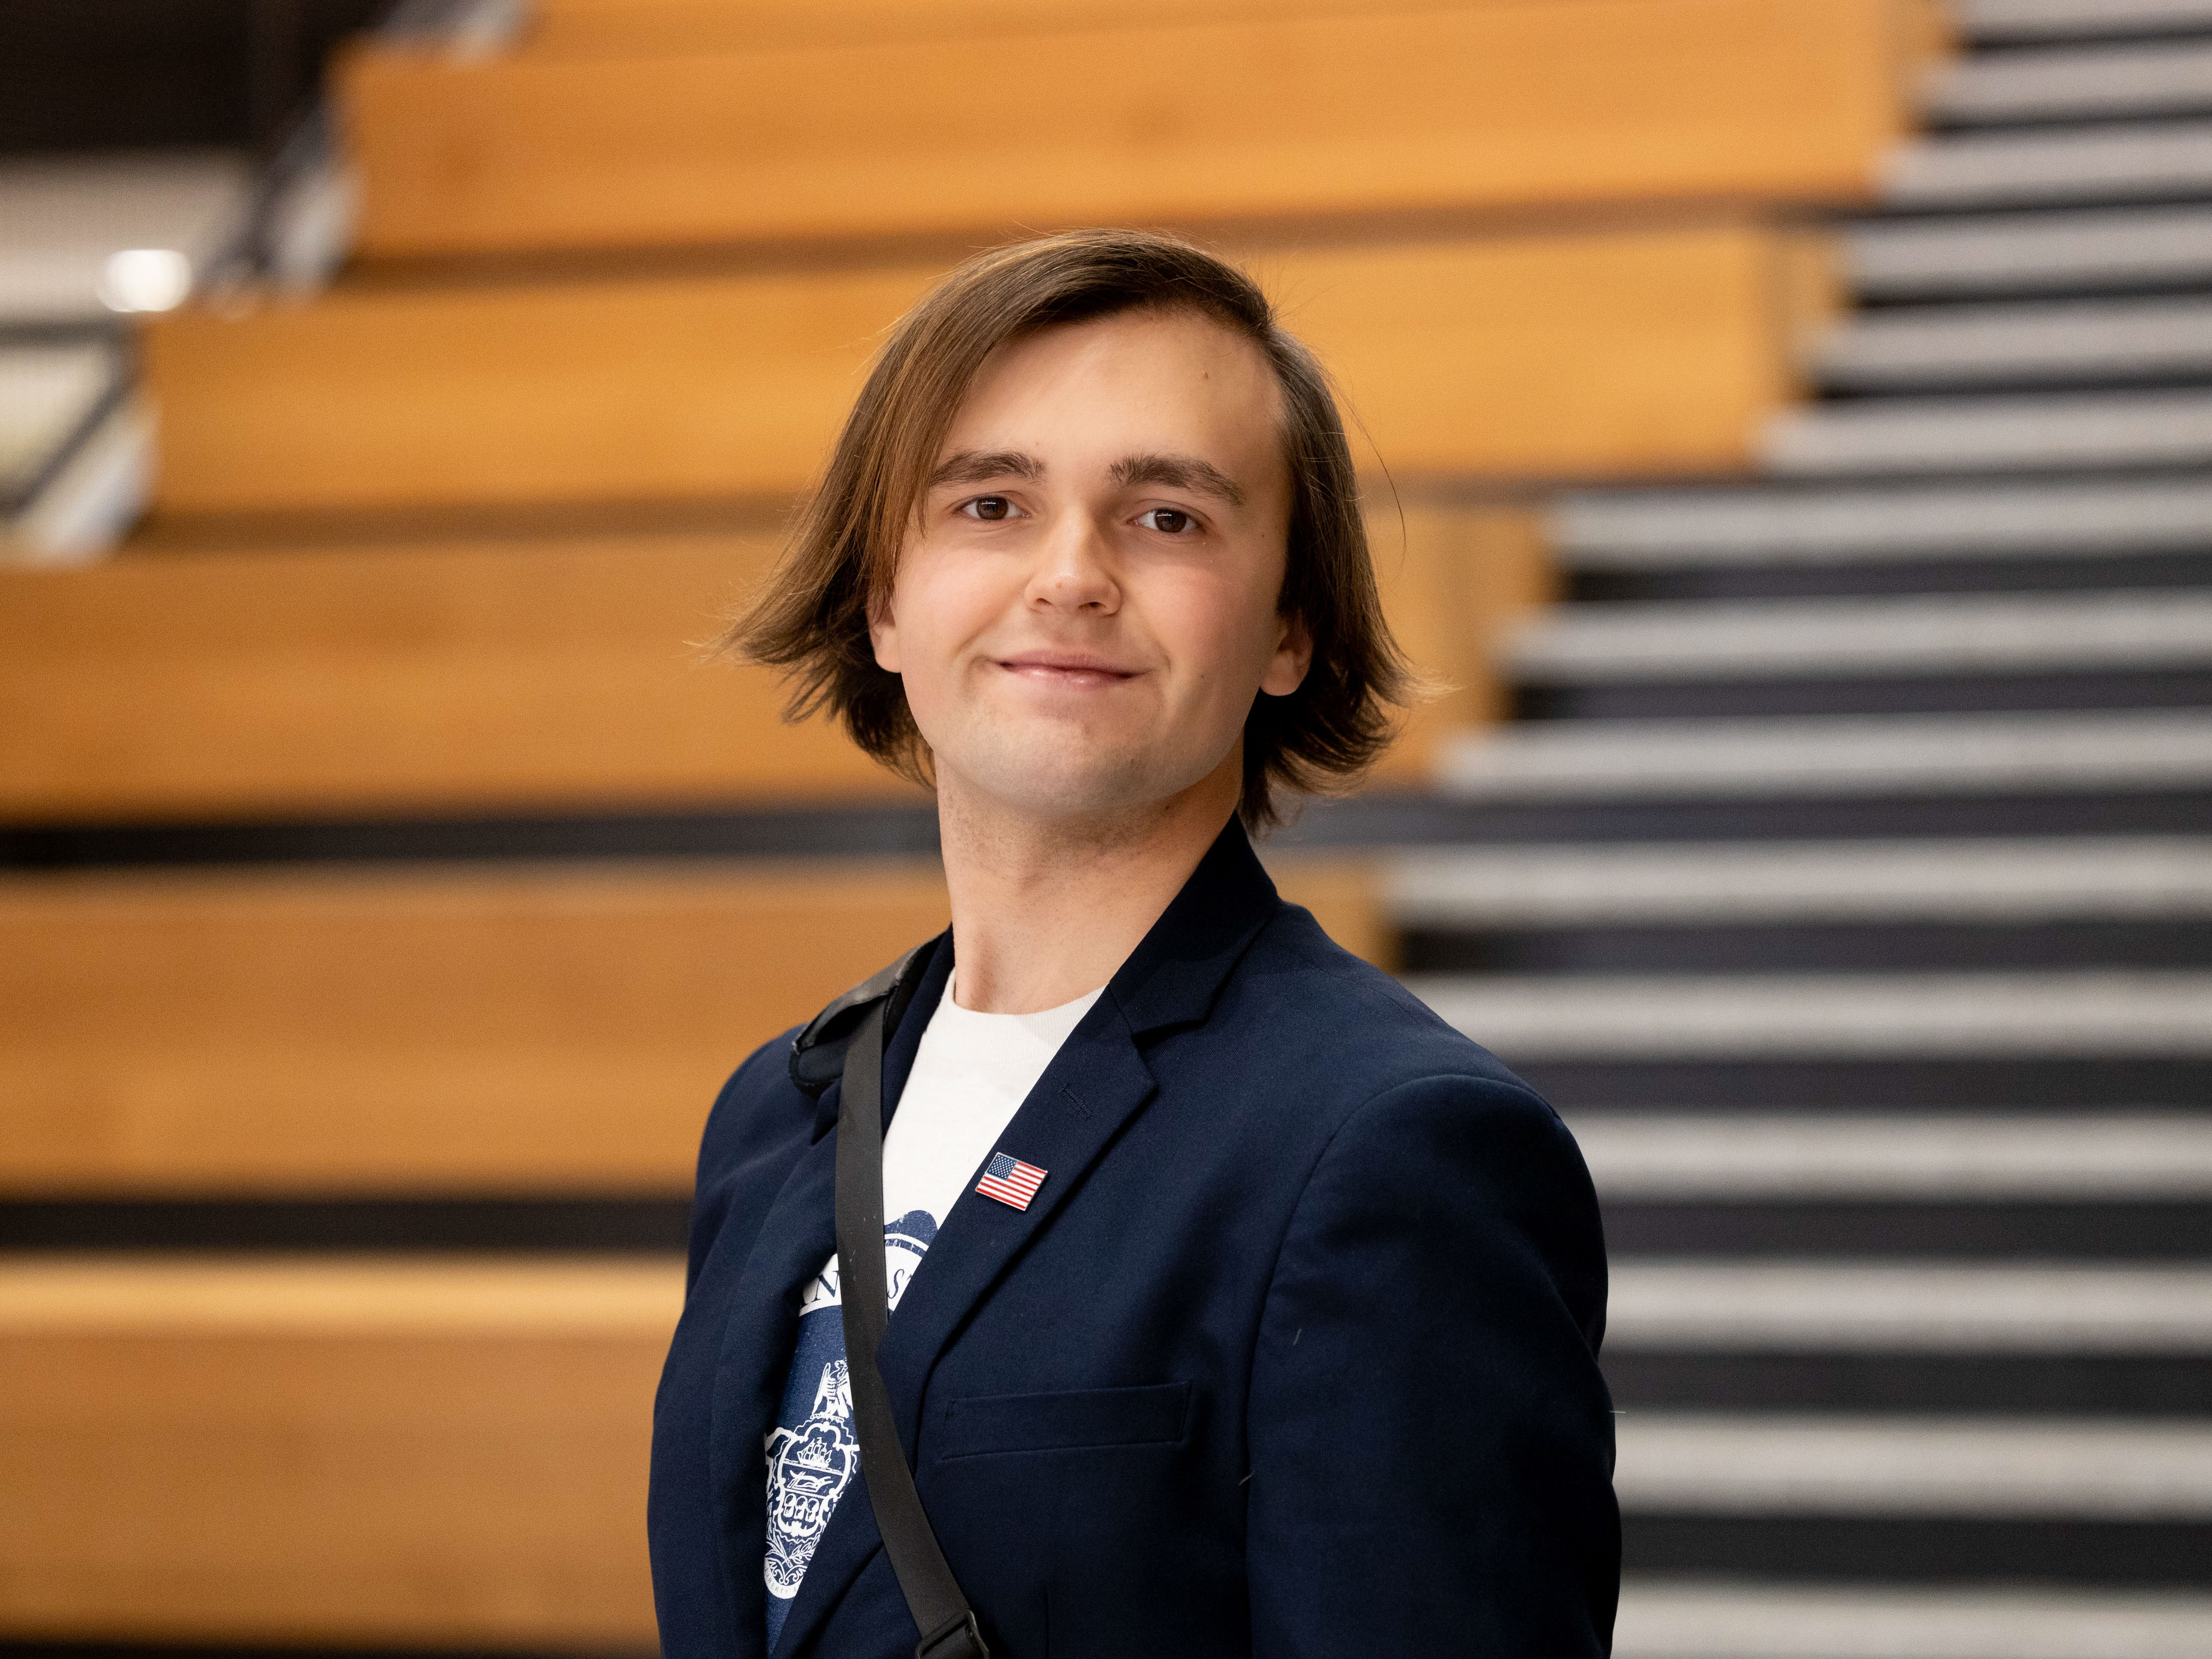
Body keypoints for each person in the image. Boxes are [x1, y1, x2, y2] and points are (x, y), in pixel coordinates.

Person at [648, 229, 1617, 1659]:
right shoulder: (776, 1114)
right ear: (883, 599)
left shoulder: (1395, 1150)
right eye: (988, 504)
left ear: (1289, 626)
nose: (1071, 575)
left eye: (1166, 518)